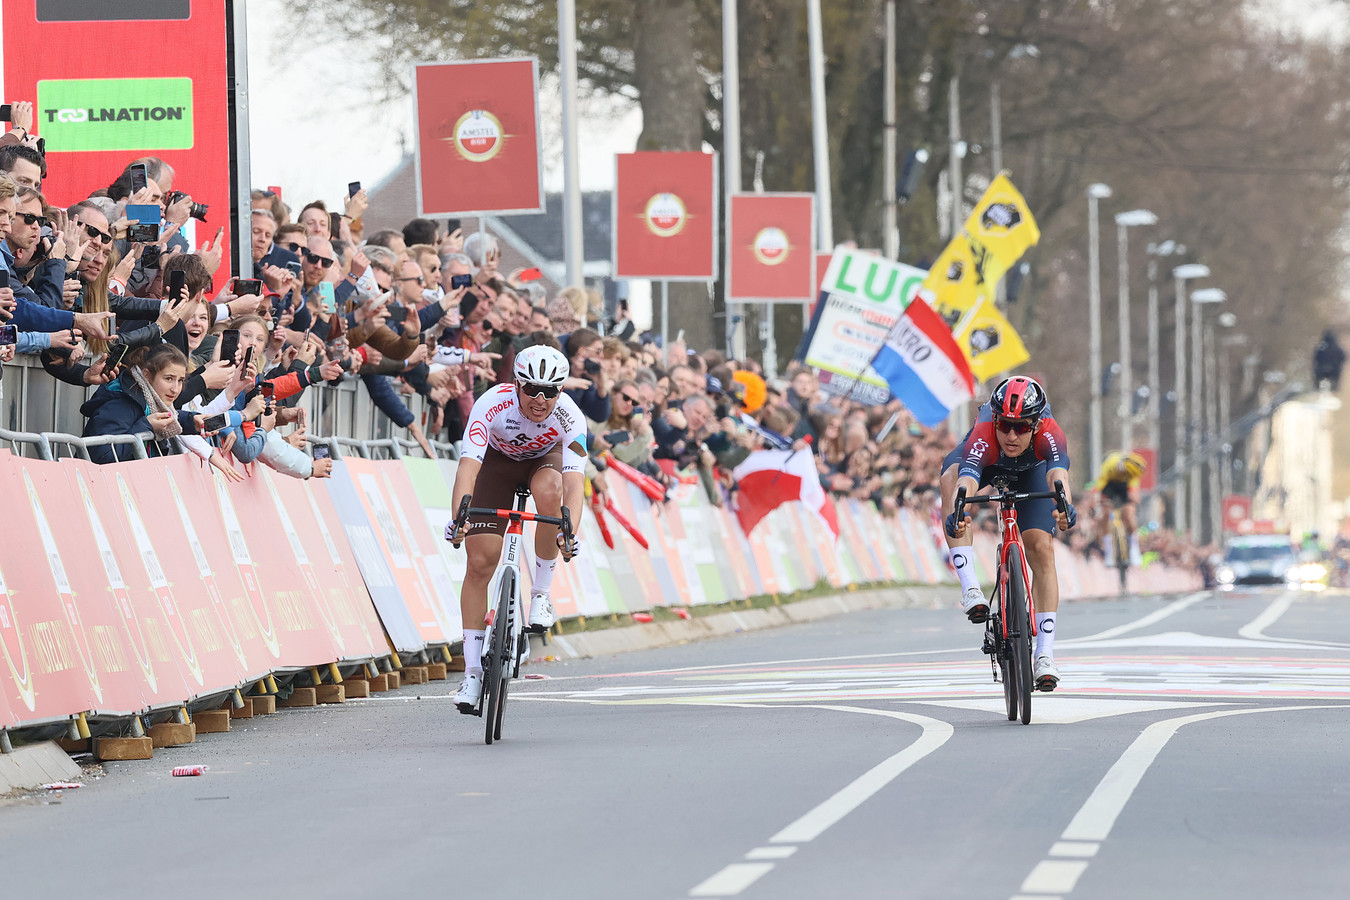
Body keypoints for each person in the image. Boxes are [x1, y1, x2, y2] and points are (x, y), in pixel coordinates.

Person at [445, 345, 585, 713]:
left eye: (551, 391)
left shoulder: (571, 417)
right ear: (516, 384)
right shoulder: (492, 404)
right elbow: (467, 469)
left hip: (543, 462)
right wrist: (459, 517)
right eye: (532, 389)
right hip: (496, 463)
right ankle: (473, 673)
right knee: (481, 561)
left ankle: (540, 592)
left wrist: (568, 532)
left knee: (550, 492)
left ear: (561, 391)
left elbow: (574, 484)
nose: (541, 399)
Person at [943, 376, 1077, 691]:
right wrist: (958, 510)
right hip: (987, 465)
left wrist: (1065, 508)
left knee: (1041, 547)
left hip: (1032, 473)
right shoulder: (986, 433)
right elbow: (968, 478)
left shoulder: (1050, 432)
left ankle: (1044, 653)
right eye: (1004, 425)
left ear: (1037, 423)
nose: (1012, 435)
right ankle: (970, 589)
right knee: (950, 478)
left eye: (1022, 427)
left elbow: (1058, 476)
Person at [1092, 450, 1147, 564]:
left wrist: (1133, 500)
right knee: (1106, 514)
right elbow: (1101, 484)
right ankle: (1109, 550)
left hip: (1125, 485)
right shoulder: (1111, 465)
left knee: (1129, 515)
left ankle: (1133, 547)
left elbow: (1133, 491)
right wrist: (1096, 496)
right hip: (1110, 483)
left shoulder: (1133, 471)